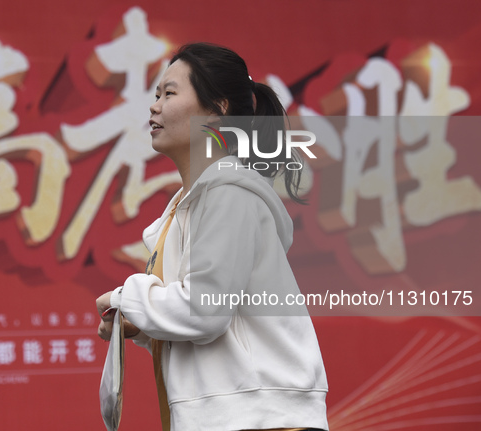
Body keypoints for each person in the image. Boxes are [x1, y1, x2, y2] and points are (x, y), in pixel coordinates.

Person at [96, 42, 328, 431]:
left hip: (260, 420)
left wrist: (128, 299)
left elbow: (206, 310)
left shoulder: (228, 191)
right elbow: (205, 313)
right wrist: (135, 321)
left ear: (217, 110)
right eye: (155, 95)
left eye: (169, 94)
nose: (154, 106)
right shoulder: (191, 204)